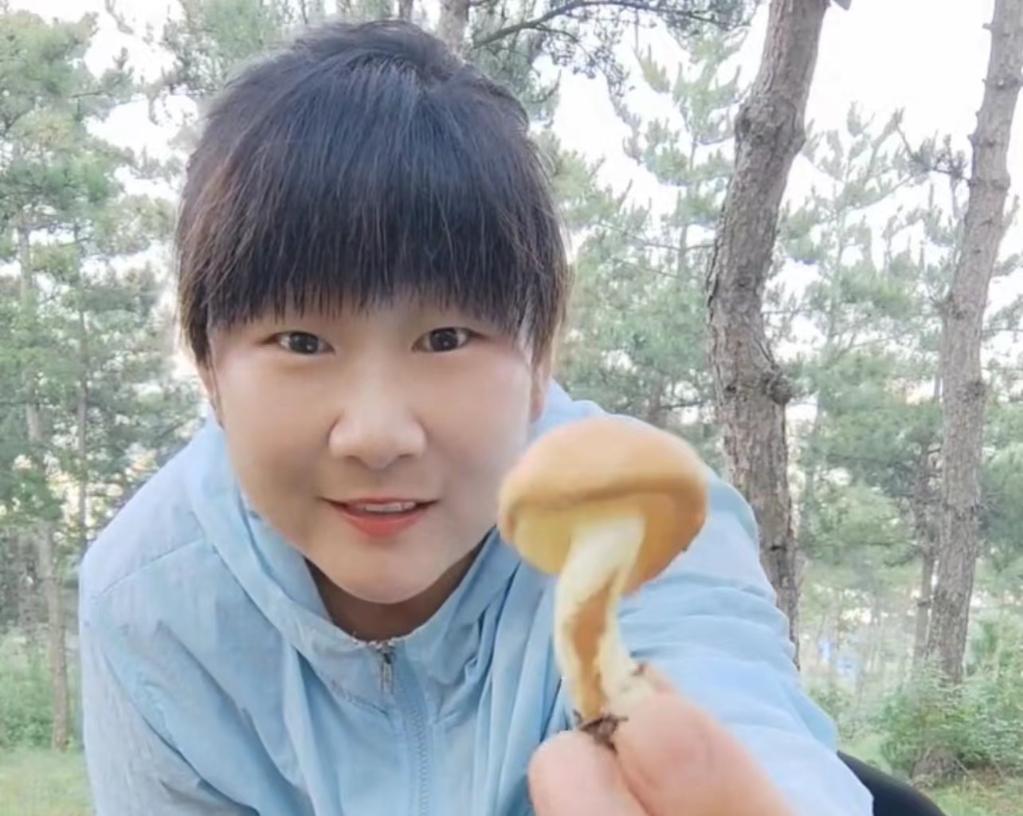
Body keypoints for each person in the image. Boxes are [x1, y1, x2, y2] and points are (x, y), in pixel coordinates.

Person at [78, 19, 872, 816]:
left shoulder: (631, 514)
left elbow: (738, 717)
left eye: (446, 338)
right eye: (301, 341)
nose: (377, 436)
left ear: (539, 358)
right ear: (209, 369)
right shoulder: (151, 600)